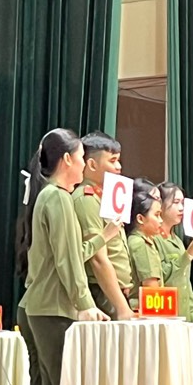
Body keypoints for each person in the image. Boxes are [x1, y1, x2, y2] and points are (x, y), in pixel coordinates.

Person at [16, 128, 118, 385]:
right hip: (53, 309)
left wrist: (102, 237)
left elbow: (69, 254)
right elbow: (66, 262)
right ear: (67, 160)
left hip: (45, 306)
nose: (84, 165)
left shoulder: (51, 196)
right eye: (80, 158)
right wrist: (86, 303)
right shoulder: (58, 198)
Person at [73, 132, 133, 319]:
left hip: (115, 293)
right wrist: (122, 308)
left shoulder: (105, 198)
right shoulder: (87, 199)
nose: (119, 166)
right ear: (92, 164)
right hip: (102, 293)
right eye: (112, 161)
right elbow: (98, 259)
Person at [156, 182, 193, 322]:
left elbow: (185, 282)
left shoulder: (177, 240)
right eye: (176, 202)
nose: (181, 208)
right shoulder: (154, 239)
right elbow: (161, 275)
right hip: (166, 316)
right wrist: (188, 255)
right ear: (160, 205)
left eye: (182, 203)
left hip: (185, 316)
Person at [127, 180, 165, 298]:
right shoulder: (141, 243)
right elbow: (151, 288)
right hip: (143, 307)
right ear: (140, 218)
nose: (161, 220)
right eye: (156, 215)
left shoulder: (133, 239)